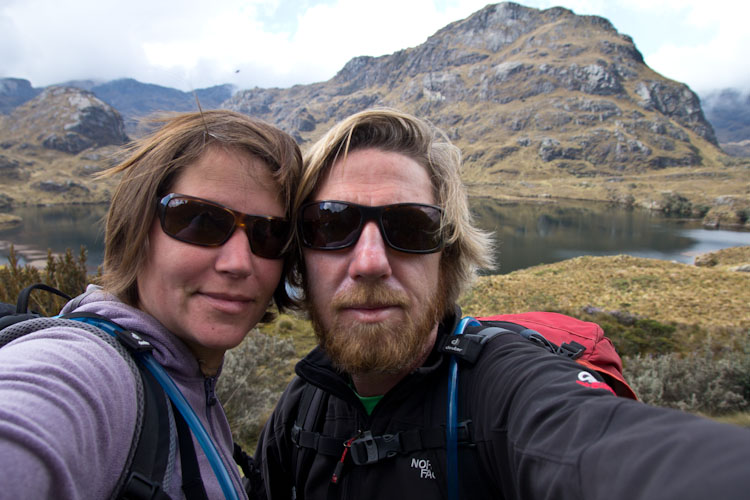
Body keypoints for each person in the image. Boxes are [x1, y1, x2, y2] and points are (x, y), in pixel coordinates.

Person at [254, 108, 750, 500]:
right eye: (332, 224)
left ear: (447, 258)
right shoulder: (300, 409)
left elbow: (604, 449)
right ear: (301, 257)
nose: (369, 262)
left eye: (410, 228)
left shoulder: (499, 391)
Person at [0, 109, 301, 499]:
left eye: (269, 234)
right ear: (139, 230)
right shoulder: (93, 373)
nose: (238, 263)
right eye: (201, 222)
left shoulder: (187, 379)